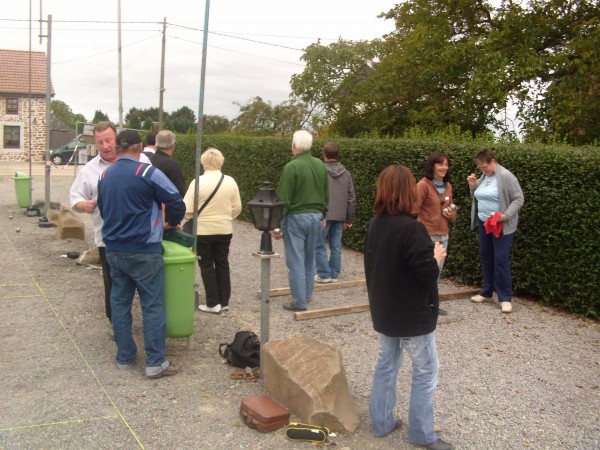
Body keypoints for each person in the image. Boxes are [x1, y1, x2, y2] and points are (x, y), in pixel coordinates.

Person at [364, 164, 451, 450]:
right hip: (412, 314)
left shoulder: (376, 224)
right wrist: (436, 256)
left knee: (386, 365)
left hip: (385, 310)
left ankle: (382, 422)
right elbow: (426, 275)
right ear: (407, 191)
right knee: (426, 370)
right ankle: (423, 434)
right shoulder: (413, 229)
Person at [97, 129, 185, 378]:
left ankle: (125, 356)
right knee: (152, 305)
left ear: (118, 148)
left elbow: (103, 209)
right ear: (139, 148)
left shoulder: (105, 175)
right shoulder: (146, 172)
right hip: (144, 249)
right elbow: (176, 200)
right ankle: (155, 362)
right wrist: (170, 222)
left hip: (114, 249)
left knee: (120, 303)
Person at [70, 122, 152, 325]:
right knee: (115, 289)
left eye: (108, 140)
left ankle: (150, 327)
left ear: (117, 139)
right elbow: (75, 198)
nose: (105, 146)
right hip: (109, 241)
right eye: (100, 143)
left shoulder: (142, 160)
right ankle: (118, 328)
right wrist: (84, 205)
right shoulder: (89, 170)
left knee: (147, 289)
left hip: (142, 239)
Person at [275, 130, 329, 312]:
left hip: (296, 217)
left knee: (296, 261)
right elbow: (325, 192)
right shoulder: (320, 164)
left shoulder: (291, 167)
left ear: (294, 146)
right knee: (309, 258)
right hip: (316, 216)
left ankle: (299, 302)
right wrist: (324, 214)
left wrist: (277, 224)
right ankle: (306, 295)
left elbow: (283, 197)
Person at [183, 148, 241, 314]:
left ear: (204, 163)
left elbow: (187, 209)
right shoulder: (230, 181)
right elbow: (237, 207)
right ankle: (224, 301)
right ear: (220, 162)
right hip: (224, 229)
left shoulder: (198, 182)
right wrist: (226, 218)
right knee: (223, 263)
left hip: (203, 230)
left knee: (206, 265)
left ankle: (212, 302)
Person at [467, 148, 524, 313]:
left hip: (501, 225)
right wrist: (472, 187)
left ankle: (505, 297)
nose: (482, 170)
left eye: (484, 167)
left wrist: (505, 216)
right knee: (486, 256)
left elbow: (519, 198)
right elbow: (478, 196)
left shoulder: (506, 176)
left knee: (500, 258)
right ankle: (487, 291)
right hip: (485, 223)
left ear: (493, 161)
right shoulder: (485, 176)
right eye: (480, 168)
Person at [416, 152, 457, 316]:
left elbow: (451, 211)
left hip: (443, 235)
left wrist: (452, 214)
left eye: (446, 165)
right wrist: (419, 231)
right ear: (432, 166)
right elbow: (414, 209)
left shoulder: (448, 186)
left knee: (437, 272)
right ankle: (422, 304)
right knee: (427, 271)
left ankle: (432, 304)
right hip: (428, 235)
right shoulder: (423, 185)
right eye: (441, 164)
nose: (444, 168)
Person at [314, 142, 356, 284]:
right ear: (337, 155)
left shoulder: (318, 171)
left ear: (324, 154)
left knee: (319, 245)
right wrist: (349, 218)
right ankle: (334, 274)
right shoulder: (346, 174)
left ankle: (324, 274)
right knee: (336, 246)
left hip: (323, 215)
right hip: (339, 216)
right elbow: (351, 198)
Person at [150, 130, 187, 197]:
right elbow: (180, 192)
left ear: (156, 144)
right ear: (173, 145)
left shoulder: (148, 160)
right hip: (166, 205)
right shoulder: (172, 165)